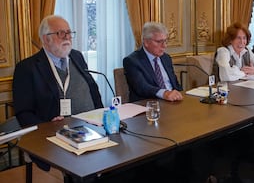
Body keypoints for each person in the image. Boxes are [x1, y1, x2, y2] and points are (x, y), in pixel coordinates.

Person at [12, 15, 103, 170]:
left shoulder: (77, 56)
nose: (68, 37)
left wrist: (103, 115)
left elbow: (93, 89)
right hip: (58, 134)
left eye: (69, 33)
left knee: (122, 160)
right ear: (46, 39)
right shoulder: (27, 68)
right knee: (87, 168)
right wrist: (47, 126)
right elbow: (23, 112)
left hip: (91, 126)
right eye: (61, 33)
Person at [123, 22, 183, 102]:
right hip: (149, 105)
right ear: (146, 42)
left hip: (172, 102)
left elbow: (175, 84)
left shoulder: (166, 58)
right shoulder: (132, 61)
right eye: (159, 42)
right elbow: (142, 87)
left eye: (165, 41)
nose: (164, 45)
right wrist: (164, 93)